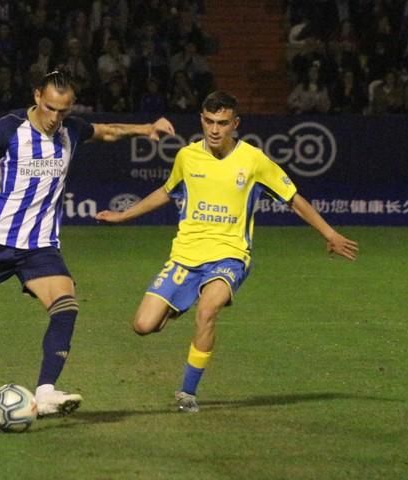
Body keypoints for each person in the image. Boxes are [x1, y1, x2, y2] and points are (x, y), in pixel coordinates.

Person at [0, 69, 175, 417]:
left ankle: (44, 393)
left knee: (66, 306)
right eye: (50, 108)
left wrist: (146, 128)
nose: (56, 118)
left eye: (64, 111)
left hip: (40, 245)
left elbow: (105, 132)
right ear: (37, 97)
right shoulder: (7, 129)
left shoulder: (69, 130)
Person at [95, 91, 358, 413]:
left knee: (208, 310)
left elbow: (293, 198)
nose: (215, 129)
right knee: (143, 326)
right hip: (185, 256)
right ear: (202, 121)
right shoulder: (188, 157)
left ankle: (187, 393)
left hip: (230, 256)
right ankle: (181, 303)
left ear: (235, 124)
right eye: (209, 121)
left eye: (222, 123)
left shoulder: (254, 160)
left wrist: (329, 233)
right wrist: (123, 215)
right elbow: (166, 192)